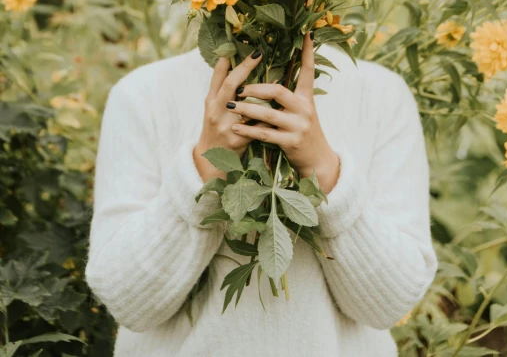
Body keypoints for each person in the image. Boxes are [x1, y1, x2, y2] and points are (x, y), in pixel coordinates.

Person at [86, 33, 437, 357]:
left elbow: (390, 303)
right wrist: (204, 169)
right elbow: (126, 300)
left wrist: (325, 171)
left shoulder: (382, 95)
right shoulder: (142, 94)